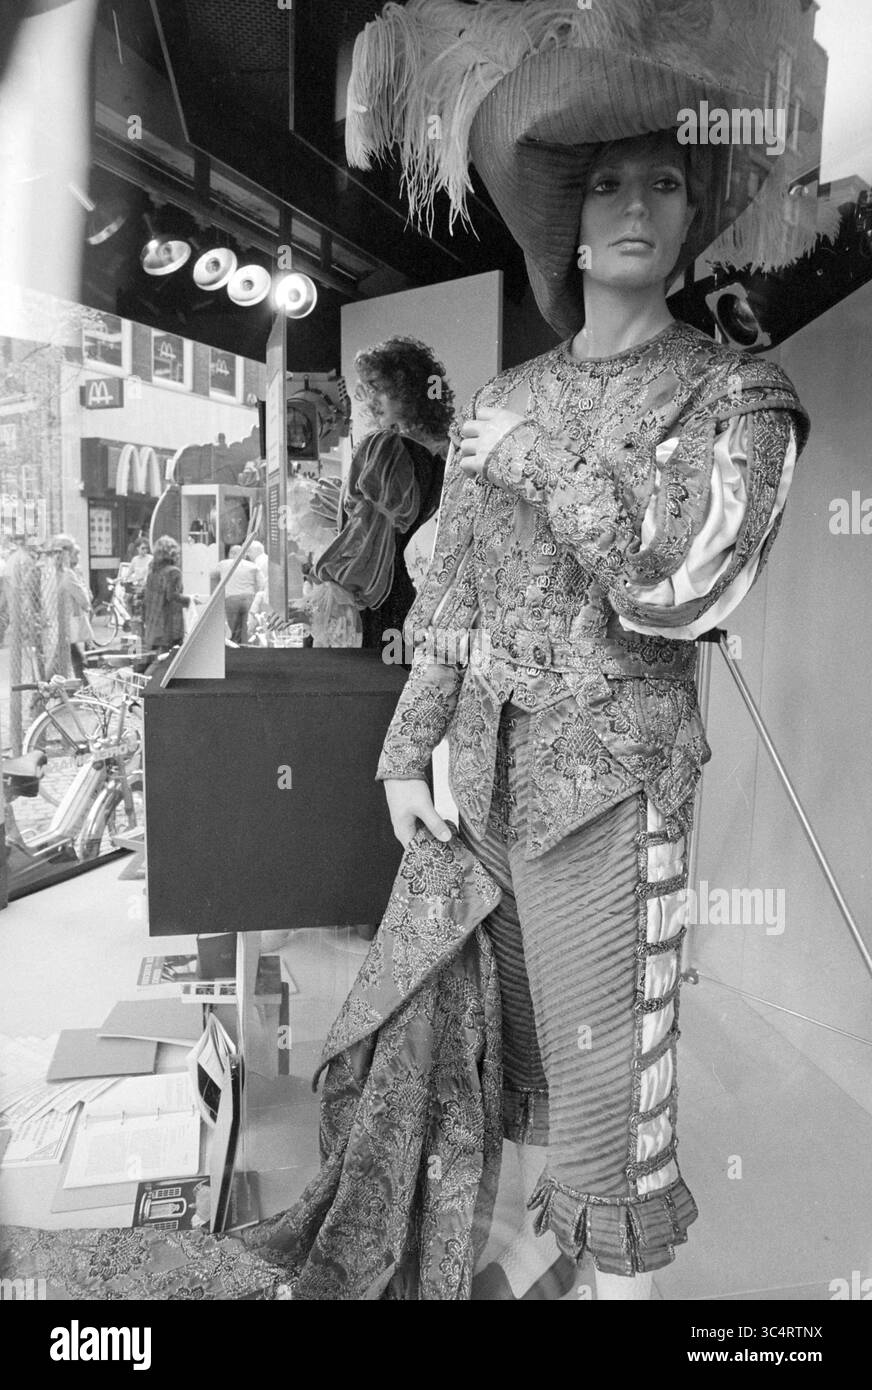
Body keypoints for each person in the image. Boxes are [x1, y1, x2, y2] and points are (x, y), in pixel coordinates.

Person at [346, 0, 813, 1300]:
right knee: (516, 1086)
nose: (633, 205)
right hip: (490, 791)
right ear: (566, 206)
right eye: (604, 179)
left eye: (665, 179)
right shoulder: (505, 395)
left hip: (614, 806)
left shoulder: (735, 396)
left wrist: (551, 469)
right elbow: (460, 582)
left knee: (616, 1127)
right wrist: (411, 741)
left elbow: (683, 584)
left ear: (692, 203)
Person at [314, 336, 452, 651]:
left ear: (409, 391)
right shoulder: (440, 457)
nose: (373, 401)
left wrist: (329, 593)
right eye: (369, 389)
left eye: (381, 389)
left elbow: (365, 544)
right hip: (404, 602)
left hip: (372, 603)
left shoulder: (386, 448)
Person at [51, 533, 93, 680]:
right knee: (65, 660)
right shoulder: (68, 574)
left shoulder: (52, 571)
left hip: (56, 624)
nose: (78, 557)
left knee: (74, 657)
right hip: (66, 623)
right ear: (67, 553)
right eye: (75, 553)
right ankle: (42, 695)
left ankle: (84, 689)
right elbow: (85, 600)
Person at [143, 534, 189, 656]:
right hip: (169, 625)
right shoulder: (173, 572)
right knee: (168, 660)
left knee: (156, 658)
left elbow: (147, 597)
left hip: (153, 624)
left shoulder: (152, 571)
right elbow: (172, 596)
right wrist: (191, 600)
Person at [211, 544, 264, 644]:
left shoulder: (223, 564)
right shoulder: (253, 566)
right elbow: (262, 585)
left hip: (231, 600)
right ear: (244, 554)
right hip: (249, 599)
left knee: (233, 630)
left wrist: (216, 592)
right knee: (249, 630)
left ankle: (235, 649)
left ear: (231, 553)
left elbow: (212, 576)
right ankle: (247, 651)